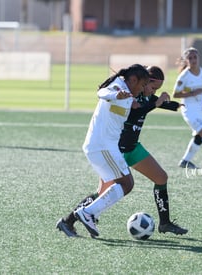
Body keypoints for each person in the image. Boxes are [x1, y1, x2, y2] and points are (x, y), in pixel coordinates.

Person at [57, 66, 188, 237]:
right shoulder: (130, 94)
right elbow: (133, 111)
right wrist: (155, 103)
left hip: (133, 148)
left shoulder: (141, 94)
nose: (152, 91)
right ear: (144, 81)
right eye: (152, 86)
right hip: (115, 150)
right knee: (104, 192)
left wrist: (181, 105)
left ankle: (165, 223)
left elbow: (160, 103)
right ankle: (69, 221)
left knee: (161, 177)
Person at [57, 64, 149, 237]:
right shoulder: (118, 86)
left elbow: (128, 105)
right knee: (126, 183)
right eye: (143, 85)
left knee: (107, 189)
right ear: (134, 80)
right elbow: (102, 93)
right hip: (102, 145)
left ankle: (70, 221)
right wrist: (116, 94)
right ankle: (87, 213)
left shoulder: (129, 94)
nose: (144, 89)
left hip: (103, 146)